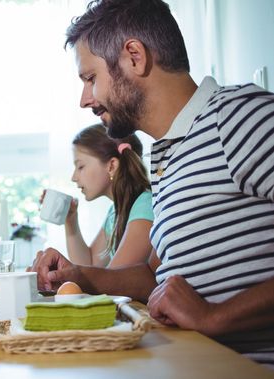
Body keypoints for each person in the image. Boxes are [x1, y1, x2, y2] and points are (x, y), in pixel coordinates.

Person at [31, 0, 274, 368]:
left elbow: (203, 310)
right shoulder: (164, 155)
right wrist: (79, 275)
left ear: (134, 56)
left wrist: (215, 316)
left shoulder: (240, 117)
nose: (85, 100)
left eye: (90, 78)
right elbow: (153, 278)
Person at [60, 124, 152, 268]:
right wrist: (70, 220)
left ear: (112, 166)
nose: (73, 177)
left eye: (80, 166)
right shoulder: (114, 213)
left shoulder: (145, 205)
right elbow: (90, 265)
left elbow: (115, 278)